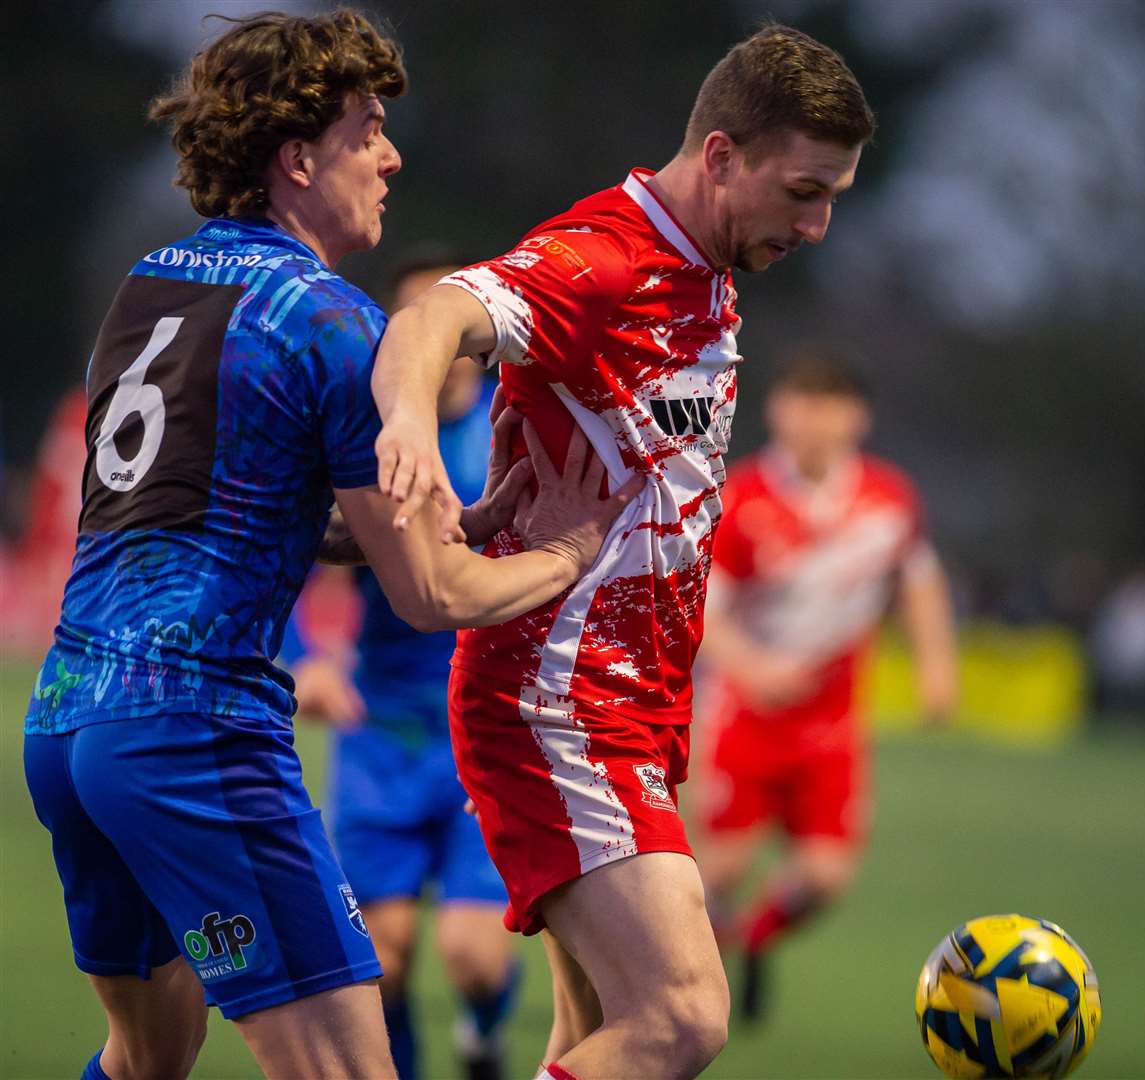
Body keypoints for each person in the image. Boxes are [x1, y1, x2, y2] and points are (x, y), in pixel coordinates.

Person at [21, 11, 638, 1080]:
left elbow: (232, 516)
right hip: (193, 738)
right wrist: (568, 552)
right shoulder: (327, 316)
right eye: (368, 131)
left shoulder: (150, 286)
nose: (391, 157)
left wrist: (474, 518)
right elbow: (431, 598)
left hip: (71, 732)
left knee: (145, 1058)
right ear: (299, 158)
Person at [370, 22, 875, 1080]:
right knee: (682, 1017)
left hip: (636, 701)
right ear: (723, 157)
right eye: (802, 192)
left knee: (590, 1037)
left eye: (833, 195)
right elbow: (435, 317)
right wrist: (410, 429)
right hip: (557, 697)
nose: (819, 225)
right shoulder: (604, 258)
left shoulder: (704, 270)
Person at [285, 253, 522, 1080]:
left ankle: (484, 1033)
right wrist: (308, 663)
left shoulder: (515, 427)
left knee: (473, 955)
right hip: (381, 729)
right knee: (381, 960)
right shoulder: (360, 433)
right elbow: (289, 555)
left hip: (487, 726)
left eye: (457, 325)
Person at [695, 351, 959, 1019]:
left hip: (833, 725)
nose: (814, 420)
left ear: (857, 416)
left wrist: (936, 666)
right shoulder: (741, 497)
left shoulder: (886, 497)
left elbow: (918, 581)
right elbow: (699, 607)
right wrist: (750, 666)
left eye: (830, 404)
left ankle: (751, 939)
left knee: (822, 879)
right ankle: (697, 974)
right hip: (745, 718)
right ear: (776, 409)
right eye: (800, 401)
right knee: (717, 871)